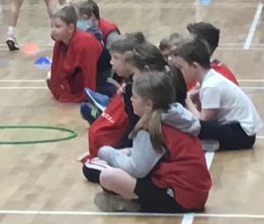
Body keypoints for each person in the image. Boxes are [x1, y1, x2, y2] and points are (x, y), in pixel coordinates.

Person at [87, 69, 211, 215]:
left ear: (148, 104)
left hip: (178, 198)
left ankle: (131, 203)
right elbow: (161, 153)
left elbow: (137, 169)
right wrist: (129, 152)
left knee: (107, 176)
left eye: (134, 97)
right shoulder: (176, 116)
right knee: (113, 164)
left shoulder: (151, 126)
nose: (131, 99)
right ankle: (126, 200)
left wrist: (106, 152)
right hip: (194, 195)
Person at [165, 36, 261, 152]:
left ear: (195, 66)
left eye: (180, 67)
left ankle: (200, 143)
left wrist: (187, 100)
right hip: (240, 131)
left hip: (243, 135)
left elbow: (202, 121)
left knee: (200, 126)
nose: (178, 72)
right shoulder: (209, 79)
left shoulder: (210, 86)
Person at [46, 3, 105, 104]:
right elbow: (56, 70)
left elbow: (89, 74)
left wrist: (85, 96)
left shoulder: (85, 43)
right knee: (49, 78)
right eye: (52, 26)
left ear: (70, 28)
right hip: (79, 73)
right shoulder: (59, 43)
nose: (53, 30)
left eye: (58, 26)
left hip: (101, 76)